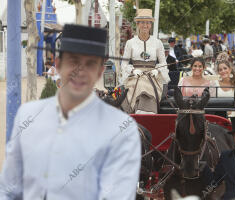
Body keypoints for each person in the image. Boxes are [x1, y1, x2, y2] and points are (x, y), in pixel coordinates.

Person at [0, 24, 141, 200]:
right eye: (73, 61)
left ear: (100, 71)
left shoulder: (121, 130)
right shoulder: (28, 115)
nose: (79, 71)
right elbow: (8, 188)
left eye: (90, 64)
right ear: (58, 65)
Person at [120, 9, 169, 114]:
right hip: (135, 77)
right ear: (137, 24)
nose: (145, 25)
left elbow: (163, 63)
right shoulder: (130, 43)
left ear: (151, 25)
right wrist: (133, 71)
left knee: (145, 85)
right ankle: (139, 112)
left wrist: (157, 70)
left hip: (153, 77)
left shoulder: (158, 43)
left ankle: (147, 113)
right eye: (142, 22)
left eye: (148, 22)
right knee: (140, 84)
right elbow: (124, 64)